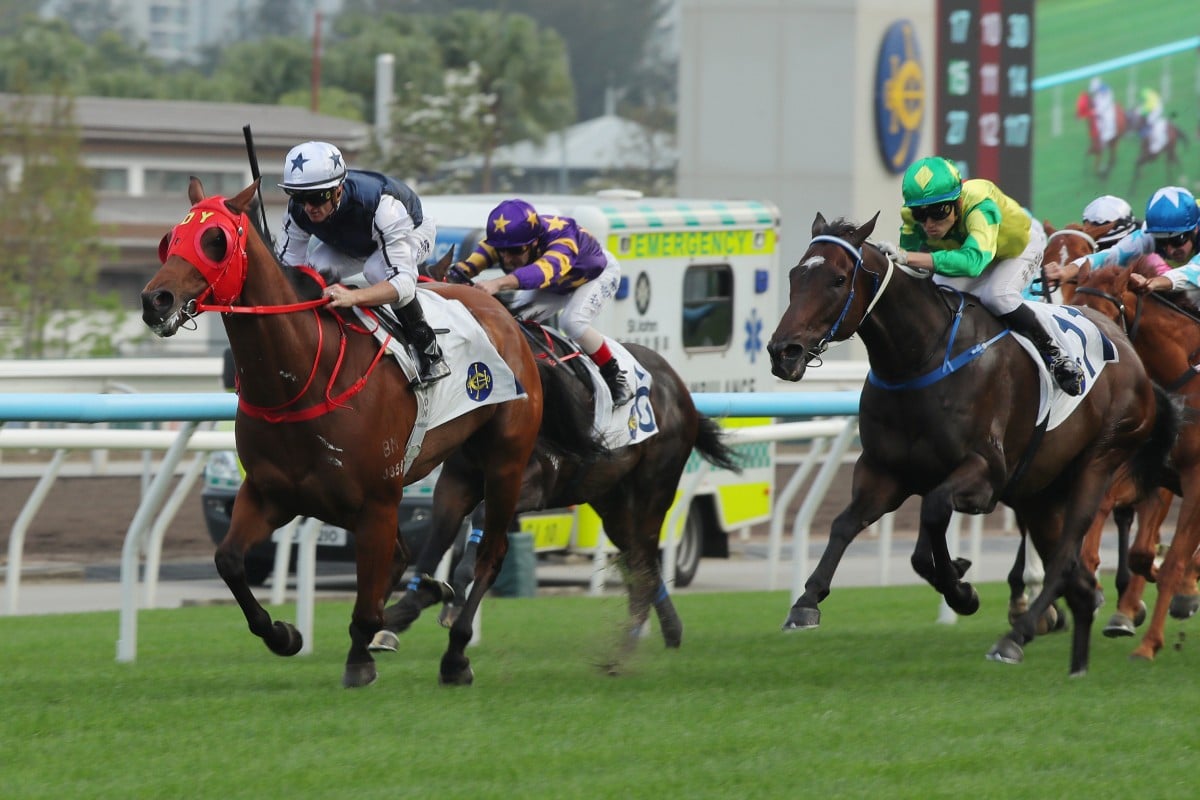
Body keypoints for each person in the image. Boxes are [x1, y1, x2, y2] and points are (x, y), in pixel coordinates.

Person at [878, 156, 1085, 395]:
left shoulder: (980, 204)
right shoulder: (912, 217)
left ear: (957, 201)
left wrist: (906, 257)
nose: (929, 223)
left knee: (998, 296)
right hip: (971, 251)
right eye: (920, 214)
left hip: (1015, 249)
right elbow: (911, 269)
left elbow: (973, 263)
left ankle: (1057, 356)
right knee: (936, 294)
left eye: (938, 211)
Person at [275, 140, 449, 384]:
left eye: (316, 197)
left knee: (376, 270)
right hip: (357, 242)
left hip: (413, 232)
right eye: (298, 196)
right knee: (313, 271)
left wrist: (352, 297)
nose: (308, 207)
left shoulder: (383, 206)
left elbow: (403, 284)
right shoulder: (298, 211)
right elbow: (286, 273)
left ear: (338, 189)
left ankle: (430, 352)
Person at [446, 198, 632, 406]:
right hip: (557, 284)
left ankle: (615, 378)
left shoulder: (562, 238)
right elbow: (470, 265)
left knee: (572, 322)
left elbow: (544, 272)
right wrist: (454, 273)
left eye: (516, 251)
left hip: (593, 275)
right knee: (514, 321)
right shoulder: (506, 241)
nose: (507, 259)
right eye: (501, 251)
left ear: (535, 242)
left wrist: (497, 283)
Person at [1041, 194, 1142, 287]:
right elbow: (1100, 257)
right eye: (1100, 246)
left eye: (1108, 245)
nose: (1104, 250)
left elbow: (1111, 254)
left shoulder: (1141, 242)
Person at [1127, 186, 1200, 294]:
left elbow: (1196, 271)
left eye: (1176, 240)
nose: (1170, 250)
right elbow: (1113, 254)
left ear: (1195, 229)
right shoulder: (1153, 229)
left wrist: (1154, 282)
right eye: (1161, 241)